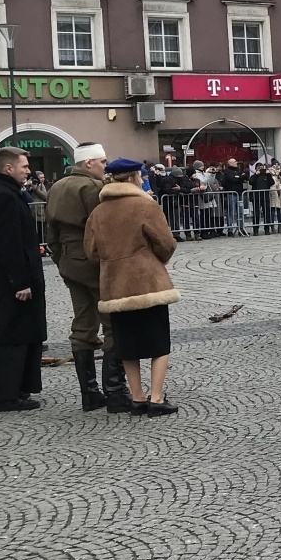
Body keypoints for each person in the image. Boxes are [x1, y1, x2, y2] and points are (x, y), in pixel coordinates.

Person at [84, 158, 180, 416]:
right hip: (148, 283)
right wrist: (151, 259)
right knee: (159, 342)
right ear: (131, 178)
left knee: (127, 345)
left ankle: (137, 397)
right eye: (140, 176)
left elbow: (91, 252)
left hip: (115, 286)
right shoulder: (145, 206)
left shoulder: (98, 212)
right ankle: (157, 399)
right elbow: (166, 243)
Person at [45, 142, 132, 413]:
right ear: (88, 164)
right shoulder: (91, 188)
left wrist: (61, 260)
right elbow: (102, 227)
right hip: (92, 260)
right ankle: (116, 392)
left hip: (70, 261)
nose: (105, 166)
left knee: (83, 325)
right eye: (102, 161)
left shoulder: (57, 186)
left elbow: (52, 234)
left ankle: (90, 394)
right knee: (112, 322)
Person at [0, 147, 48, 412]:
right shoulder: (3, 196)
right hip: (12, 281)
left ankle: (6, 390)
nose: (28, 171)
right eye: (24, 166)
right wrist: (20, 282)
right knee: (13, 336)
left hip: (4, 278)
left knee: (7, 334)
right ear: (9, 168)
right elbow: (8, 244)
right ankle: (8, 394)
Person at [217, 158, 247, 235]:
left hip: (240, 193)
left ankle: (241, 228)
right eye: (234, 162)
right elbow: (232, 179)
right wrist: (239, 177)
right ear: (230, 163)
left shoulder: (239, 170)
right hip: (231, 193)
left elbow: (245, 176)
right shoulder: (227, 172)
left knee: (240, 212)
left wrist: (239, 177)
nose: (236, 162)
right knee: (231, 213)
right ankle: (230, 230)